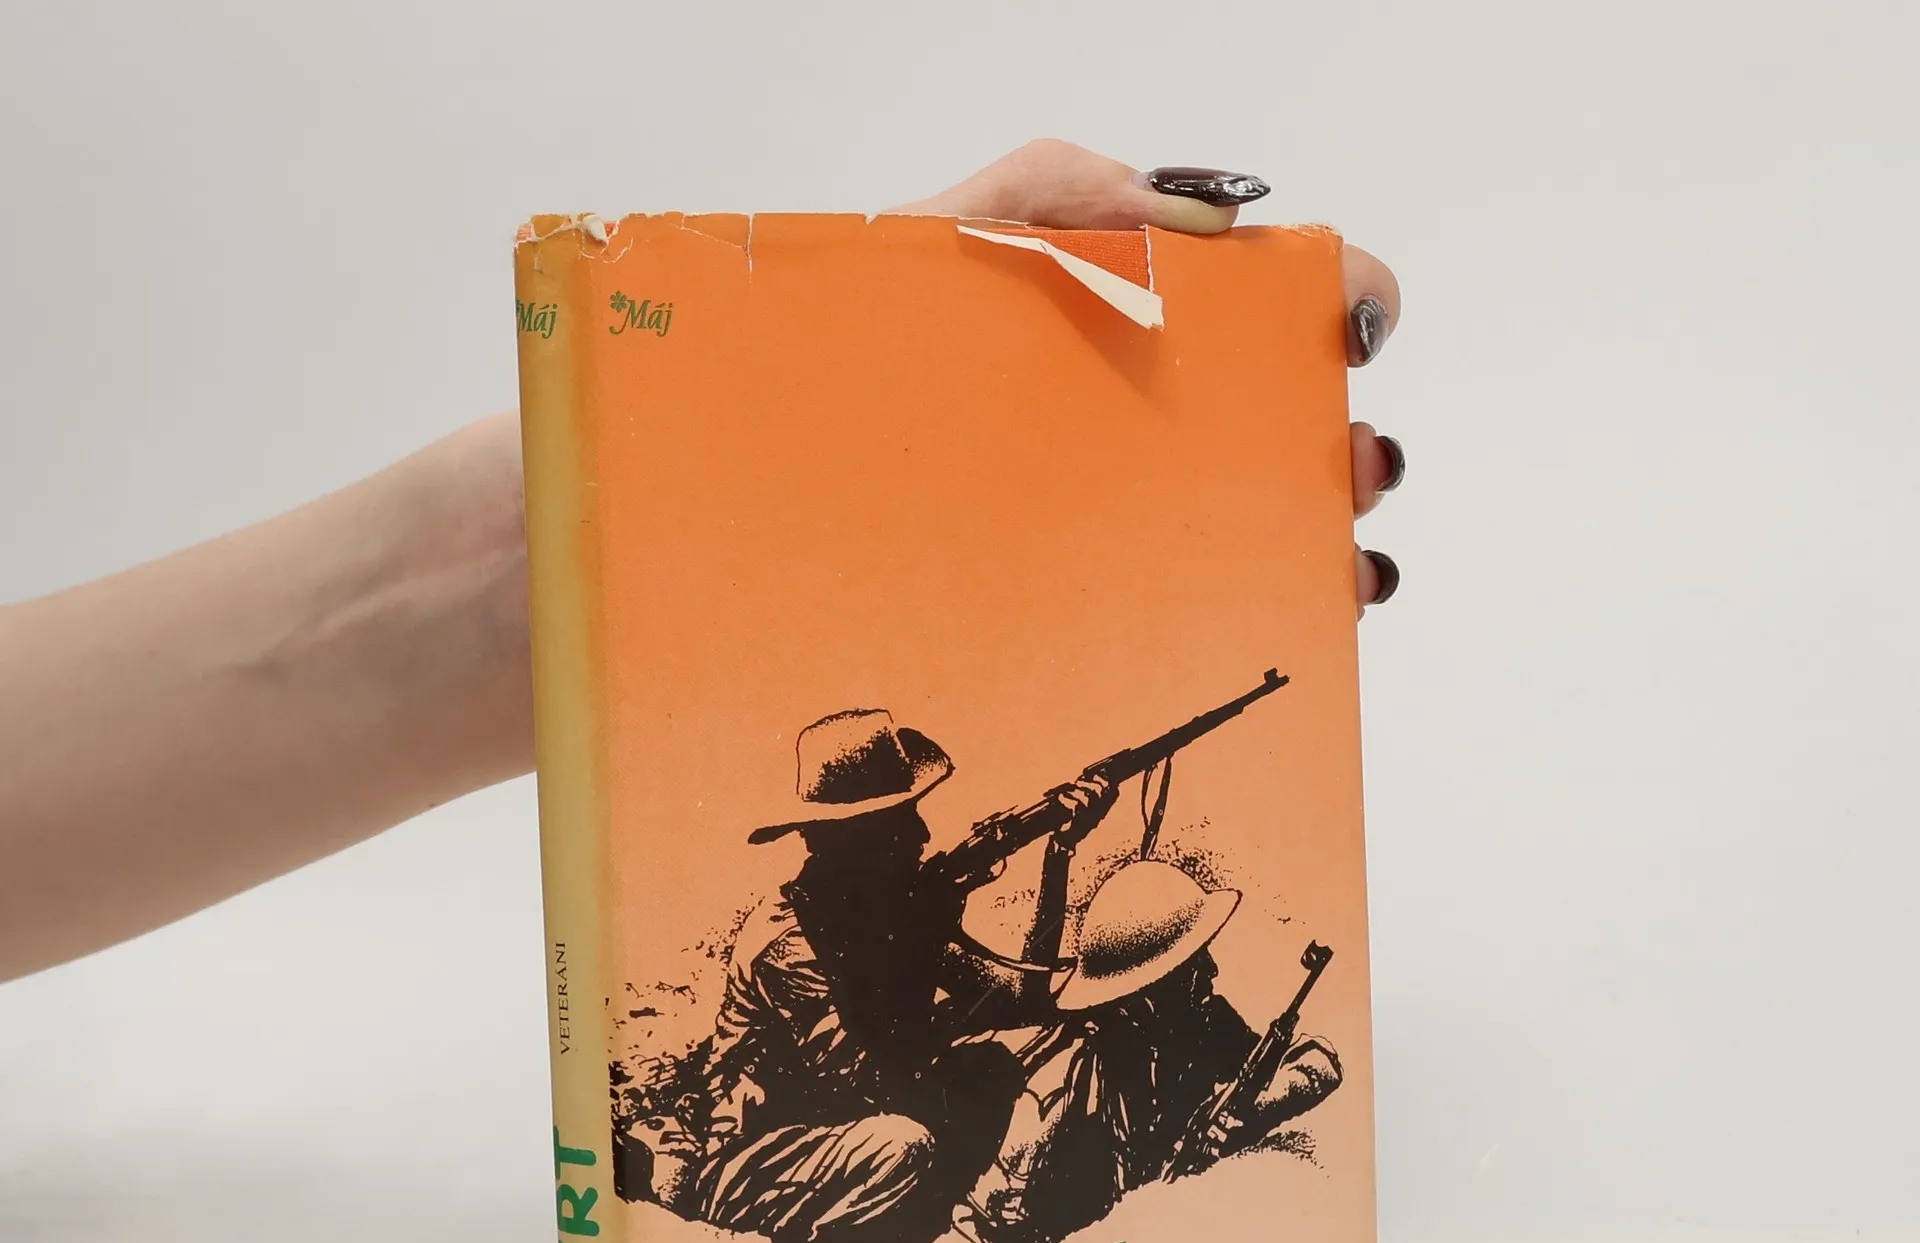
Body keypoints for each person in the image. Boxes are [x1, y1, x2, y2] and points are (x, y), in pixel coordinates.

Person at [0, 141, 1403, 988]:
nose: (920, 825)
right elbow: (1001, 999)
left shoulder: (891, 882)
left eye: (911, 806)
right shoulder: (824, 924)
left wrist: (547, 565)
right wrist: (1068, 847)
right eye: (900, 810)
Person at [683, 707, 1116, 1243]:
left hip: (849, 1143)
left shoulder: (893, 912)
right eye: (898, 822)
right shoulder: (787, 940)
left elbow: (1022, 998)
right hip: (758, 1165)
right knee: (902, 1143)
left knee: (995, 1066)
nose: (922, 836)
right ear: (841, 841)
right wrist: (929, 933)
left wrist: (1058, 855)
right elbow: (870, 1077)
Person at [943, 858, 1343, 1243]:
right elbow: (980, 1240)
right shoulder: (1061, 1088)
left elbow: (1320, 1064)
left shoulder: (1206, 1023)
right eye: (1193, 963)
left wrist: (1258, 1111)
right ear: (1149, 991)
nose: (1212, 970)